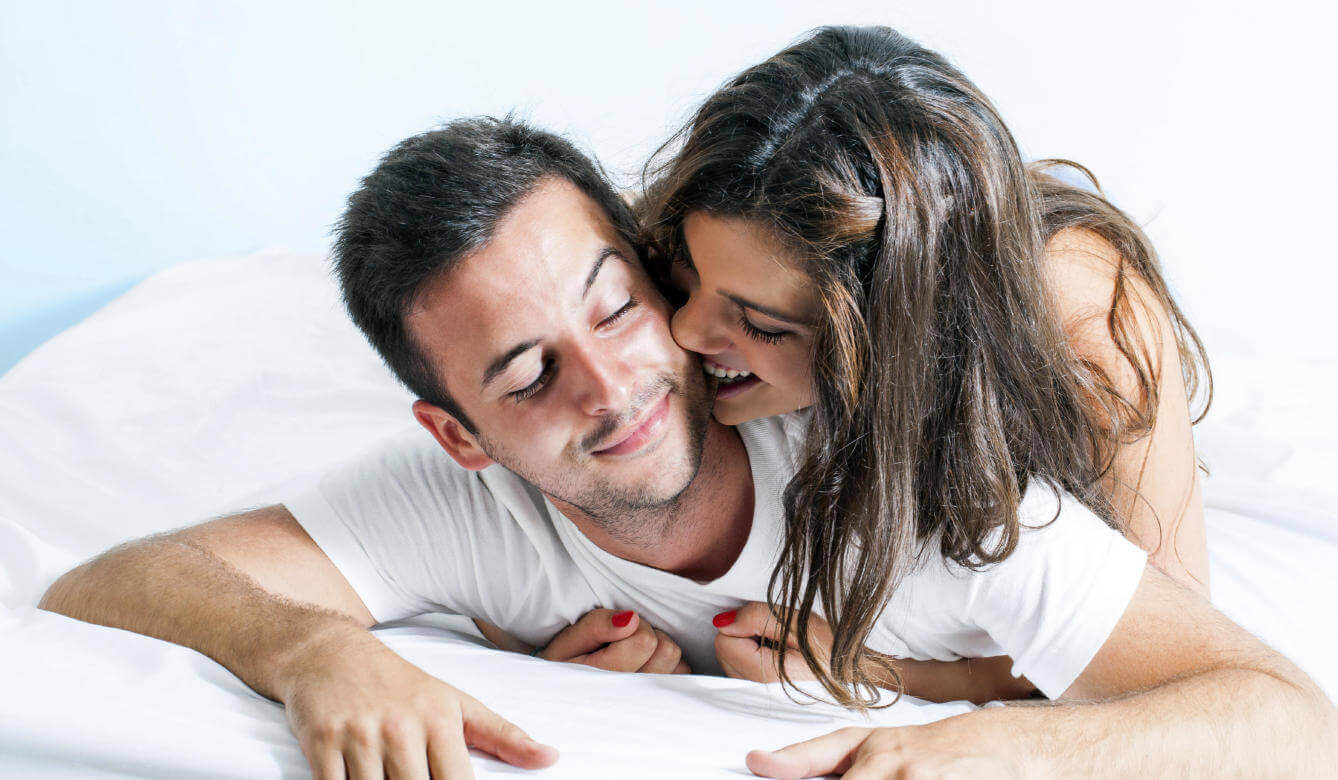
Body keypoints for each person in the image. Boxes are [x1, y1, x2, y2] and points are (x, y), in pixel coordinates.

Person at [39, 117, 1334, 779]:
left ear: (657, 281)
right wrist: (312, 648)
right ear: (457, 435)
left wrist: (968, 725)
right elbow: (109, 580)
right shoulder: (447, 504)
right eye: (528, 374)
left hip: (1058, 338)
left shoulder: (916, 485)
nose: (613, 390)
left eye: (614, 310)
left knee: (1069, 281)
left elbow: (1274, 718)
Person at [638, 24, 1216, 720]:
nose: (685, 330)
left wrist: (884, 672)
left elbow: (1179, 674)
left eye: (761, 323)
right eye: (685, 273)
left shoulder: (1087, 314)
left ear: (895, 334)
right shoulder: (703, 226)